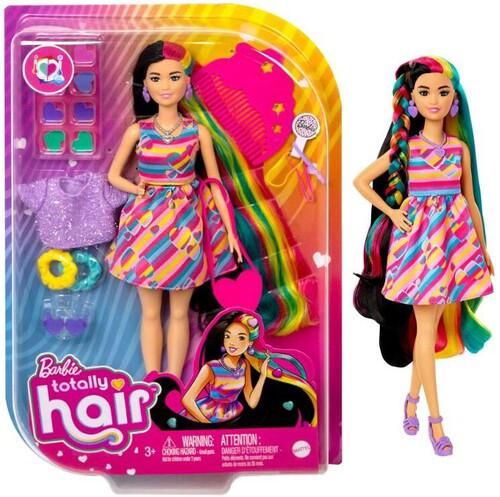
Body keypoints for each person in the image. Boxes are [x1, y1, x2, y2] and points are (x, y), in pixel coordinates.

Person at [353, 56, 494, 456]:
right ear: (412, 101)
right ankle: (437, 421)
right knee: (427, 331)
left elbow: (470, 201)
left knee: (426, 333)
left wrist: (482, 248)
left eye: (442, 92)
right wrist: (392, 211)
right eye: (425, 92)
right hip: (418, 249)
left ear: (454, 100)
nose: (434, 99)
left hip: (453, 245)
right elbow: (361, 181)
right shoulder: (406, 150)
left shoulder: (459, 150)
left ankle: (411, 400)